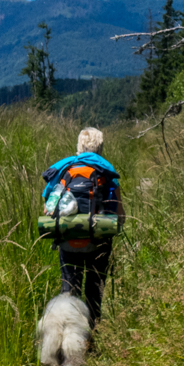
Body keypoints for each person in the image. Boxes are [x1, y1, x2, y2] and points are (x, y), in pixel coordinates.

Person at [41, 127, 125, 327]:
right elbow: (120, 215)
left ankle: (66, 339)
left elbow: (47, 210)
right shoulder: (106, 174)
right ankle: (91, 338)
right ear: (100, 147)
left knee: (70, 290)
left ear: (79, 147)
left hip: (68, 241)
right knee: (94, 289)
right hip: (98, 242)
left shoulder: (64, 171)